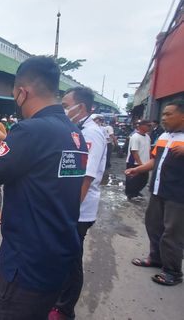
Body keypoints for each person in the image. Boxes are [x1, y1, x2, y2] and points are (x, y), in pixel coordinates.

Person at [0, 56, 88, 320]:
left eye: (15, 94)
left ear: (23, 93)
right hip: (58, 261)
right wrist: (9, 140)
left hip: (25, 269)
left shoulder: (30, 131)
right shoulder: (74, 134)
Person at [50, 87, 107, 320]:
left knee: (72, 260)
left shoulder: (92, 133)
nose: (63, 109)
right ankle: (58, 301)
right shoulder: (76, 130)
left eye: (65, 105)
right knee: (63, 256)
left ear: (80, 107)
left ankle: (65, 310)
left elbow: (87, 176)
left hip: (78, 211)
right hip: (70, 207)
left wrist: (70, 212)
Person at [126, 101, 184, 286]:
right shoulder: (164, 137)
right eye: (163, 114)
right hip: (158, 190)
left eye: (168, 114)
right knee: (153, 226)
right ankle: (156, 258)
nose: (163, 118)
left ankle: (172, 271)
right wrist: (139, 169)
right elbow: (155, 160)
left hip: (178, 195)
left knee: (172, 233)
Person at [125, 120, 152, 200]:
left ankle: (136, 192)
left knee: (143, 180)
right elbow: (134, 151)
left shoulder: (147, 136)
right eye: (148, 125)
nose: (150, 127)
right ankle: (130, 194)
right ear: (141, 126)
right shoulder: (135, 137)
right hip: (134, 163)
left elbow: (149, 149)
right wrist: (140, 164)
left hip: (145, 163)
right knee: (133, 180)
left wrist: (149, 161)